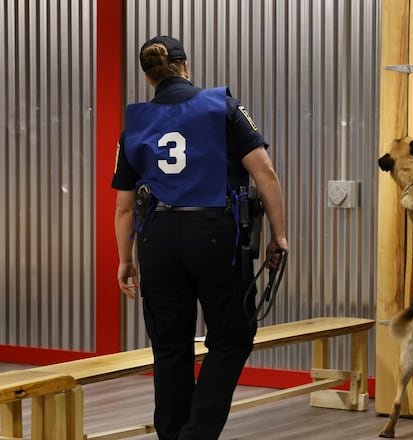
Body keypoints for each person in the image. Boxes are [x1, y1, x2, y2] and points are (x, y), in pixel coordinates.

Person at [112, 35, 288, 440]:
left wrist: (126, 259)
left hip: (156, 238)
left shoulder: (134, 124)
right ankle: (196, 435)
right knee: (231, 337)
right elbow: (265, 174)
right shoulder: (222, 106)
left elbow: (123, 207)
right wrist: (279, 236)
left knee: (169, 345)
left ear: (148, 77)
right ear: (185, 66)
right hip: (215, 236)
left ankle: (173, 434)